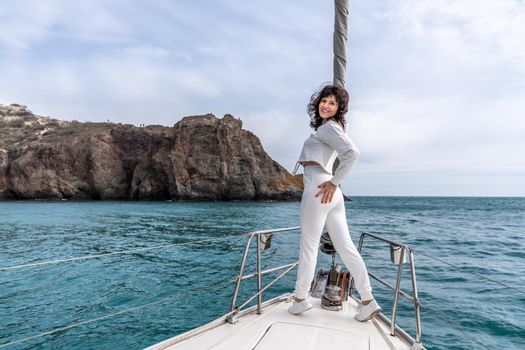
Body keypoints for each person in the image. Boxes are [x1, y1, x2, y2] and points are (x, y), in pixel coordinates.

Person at [289, 83, 381, 322]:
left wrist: (334, 182)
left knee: (308, 246)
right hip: (331, 193)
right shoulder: (332, 128)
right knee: (346, 246)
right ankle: (368, 300)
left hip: (320, 189)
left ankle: (300, 300)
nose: (326, 105)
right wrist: (335, 184)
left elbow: (352, 153)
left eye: (332, 102)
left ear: (339, 108)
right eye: (324, 101)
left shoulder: (329, 128)